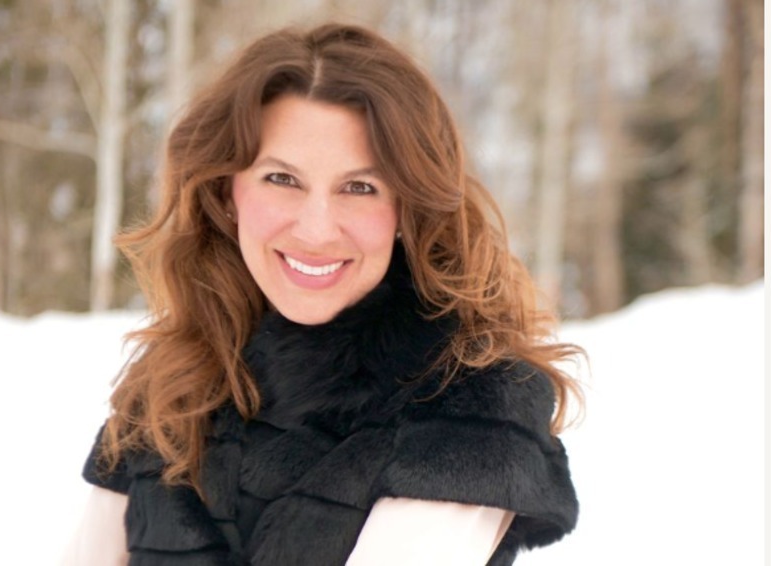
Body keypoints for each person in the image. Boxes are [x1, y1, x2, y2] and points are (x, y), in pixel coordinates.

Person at [64, 22, 582, 566]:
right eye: (281, 179)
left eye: (359, 187)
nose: (315, 230)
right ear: (226, 190)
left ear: (408, 209)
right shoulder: (170, 378)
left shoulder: (472, 402)